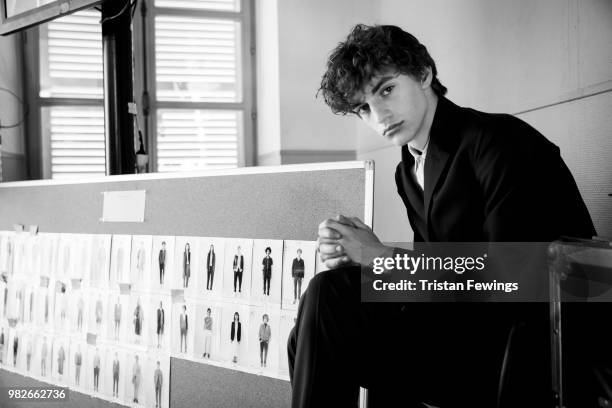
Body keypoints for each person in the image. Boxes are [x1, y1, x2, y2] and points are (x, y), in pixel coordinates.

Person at [287, 24, 596, 408]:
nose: (378, 114)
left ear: (423, 73)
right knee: (318, 310)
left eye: (386, 90)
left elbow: (512, 283)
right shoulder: (409, 168)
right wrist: (359, 258)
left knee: (330, 301)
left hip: (519, 344)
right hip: (458, 330)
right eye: (363, 107)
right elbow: (434, 284)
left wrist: (379, 258)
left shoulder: (499, 142)